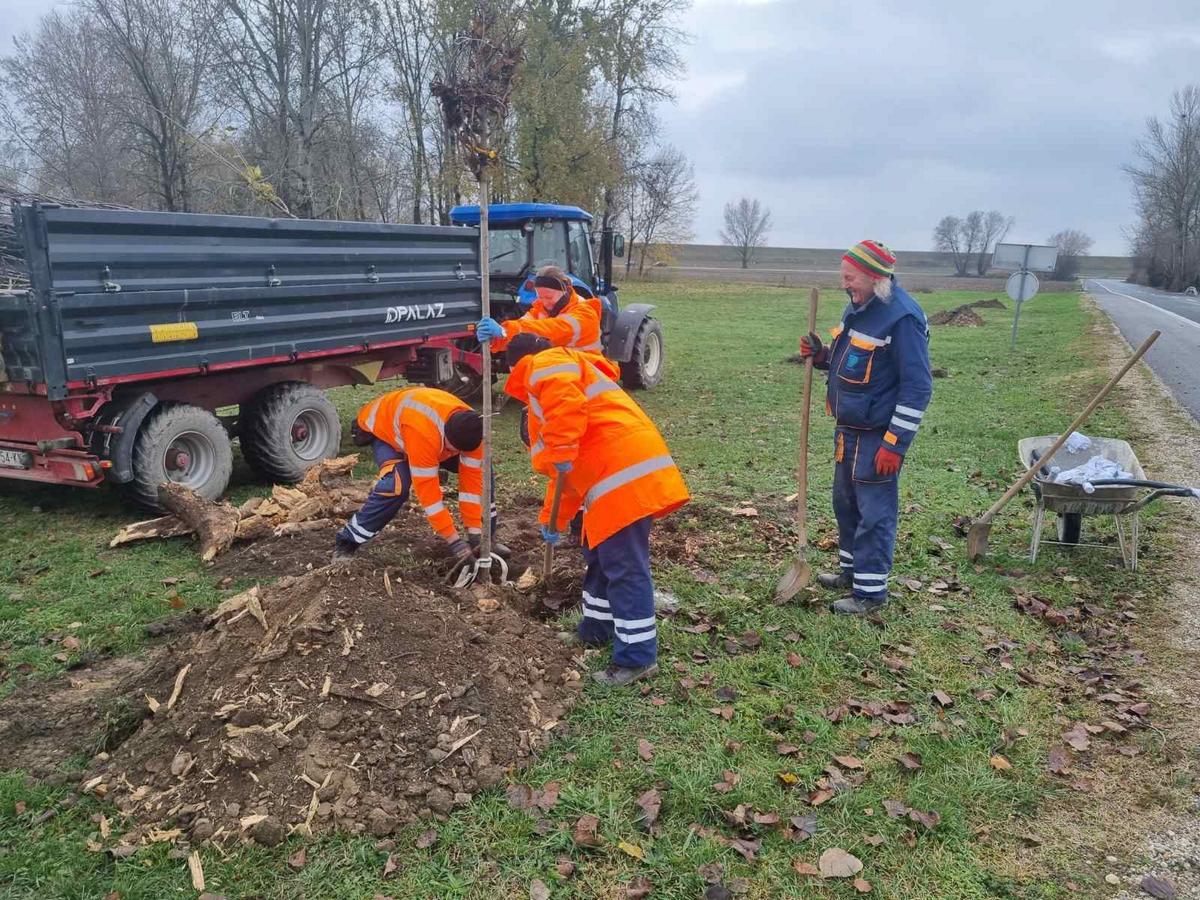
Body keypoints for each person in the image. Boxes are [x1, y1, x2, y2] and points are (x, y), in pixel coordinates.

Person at [503, 333, 689, 686]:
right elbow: (564, 481)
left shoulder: (546, 362)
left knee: (625, 568)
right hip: (612, 479)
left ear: (517, 362)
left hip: (624, 478)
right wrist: (552, 521)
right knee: (600, 559)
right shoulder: (561, 393)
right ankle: (595, 630)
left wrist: (558, 447)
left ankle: (637, 658)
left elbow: (563, 409)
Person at [799, 240, 932, 615]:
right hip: (848, 430)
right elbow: (852, 364)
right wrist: (822, 355)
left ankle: (870, 593)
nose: (845, 284)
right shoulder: (856, 309)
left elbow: (918, 386)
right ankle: (851, 571)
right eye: (843, 278)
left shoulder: (902, 318)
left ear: (875, 277)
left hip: (879, 436)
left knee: (874, 511)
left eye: (850, 278)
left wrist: (895, 443)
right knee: (845, 502)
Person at [332, 387, 510, 566]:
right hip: (386, 429)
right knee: (396, 485)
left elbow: (472, 486)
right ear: (445, 435)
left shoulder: (474, 432)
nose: (456, 453)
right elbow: (429, 496)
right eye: (453, 449)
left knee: (484, 470)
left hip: (428, 433)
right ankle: (347, 541)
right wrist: (454, 541)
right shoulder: (423, 433)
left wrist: (475, 533)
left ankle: (487, 539)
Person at [475, 265, 605, 357]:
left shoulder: (584, 313)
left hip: (586, 373)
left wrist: (505, 331)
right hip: (559, 371)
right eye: (540, 297)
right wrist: (496, 337)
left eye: (549, 297)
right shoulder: (539, 310)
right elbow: (523, 332)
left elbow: (550, 330)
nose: (544, 302)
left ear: (566, 290)